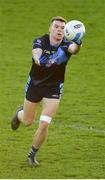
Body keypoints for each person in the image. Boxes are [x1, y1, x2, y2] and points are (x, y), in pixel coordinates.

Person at [11, 16, 82, 166]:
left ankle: (32, 154)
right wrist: (39, 59)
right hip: (35, 85)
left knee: (44, 123)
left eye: (63, 28)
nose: (59, 30)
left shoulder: (66, 45)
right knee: (28, 121)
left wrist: (79, 41)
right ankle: (19, 114)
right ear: (50, 28)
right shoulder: (40, 41)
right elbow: (36, 53)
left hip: (53, 88)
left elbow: (74, 50)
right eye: (56, 27)